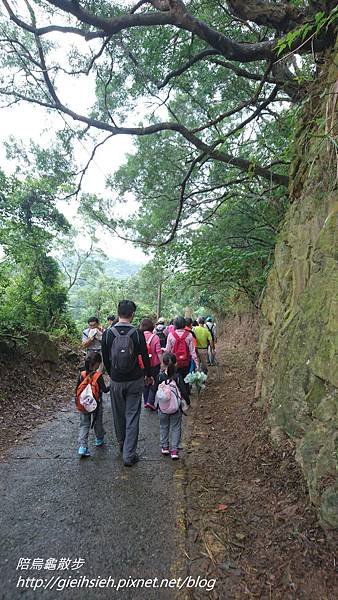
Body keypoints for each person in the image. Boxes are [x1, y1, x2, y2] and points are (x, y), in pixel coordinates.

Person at [101, 300, 153, 467]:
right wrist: (149, 375)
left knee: (118, 415)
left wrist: (111, 374)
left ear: (118, 313)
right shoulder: (137, 334)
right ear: (132, 314)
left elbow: (105, 358)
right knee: (132, 415)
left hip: (116, 380)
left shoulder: (108, 333)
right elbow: (145, 357)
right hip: (134, 380)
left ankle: (123, 445)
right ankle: (129, 454)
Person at [155, 352, 190, 460]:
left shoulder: (160, 376)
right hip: (176, 407)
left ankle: (165, 446)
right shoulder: (178, 377)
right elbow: (184, 391)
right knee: (176, 427)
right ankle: (174, 450)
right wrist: (187, 402)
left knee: (163, 426)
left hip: (163, 408)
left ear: (163, 364)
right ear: (175, 364)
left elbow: (155, 389)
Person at [76, 352, 109, 457]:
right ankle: (99, 439)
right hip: (96, 404)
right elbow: (104, 390)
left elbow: (76, 390)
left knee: (84, 424)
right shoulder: (98, 376)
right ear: (97, 364)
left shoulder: (81, 374)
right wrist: (111, 385)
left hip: (83, 404)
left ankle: (82, 447)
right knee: (97, 422)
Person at [165, 316, 199, 396]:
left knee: (175, 379)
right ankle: (186, 395)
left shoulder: (171, 335)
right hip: (186, 362)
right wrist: (197, 363)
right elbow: (192, 351)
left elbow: (167, 350)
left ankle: (176, 396)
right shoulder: (189, 335)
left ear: (175, 325)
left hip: (174, 363)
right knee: (185, 380)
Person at [140, 317, 162, 409]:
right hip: (154, 364)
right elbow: (159, 352)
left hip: (142, 365)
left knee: (145, 382)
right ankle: (151, 401)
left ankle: (145, 401)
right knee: (154, 382)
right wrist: (162, 364)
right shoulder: (155, 337)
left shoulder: (139, 336)